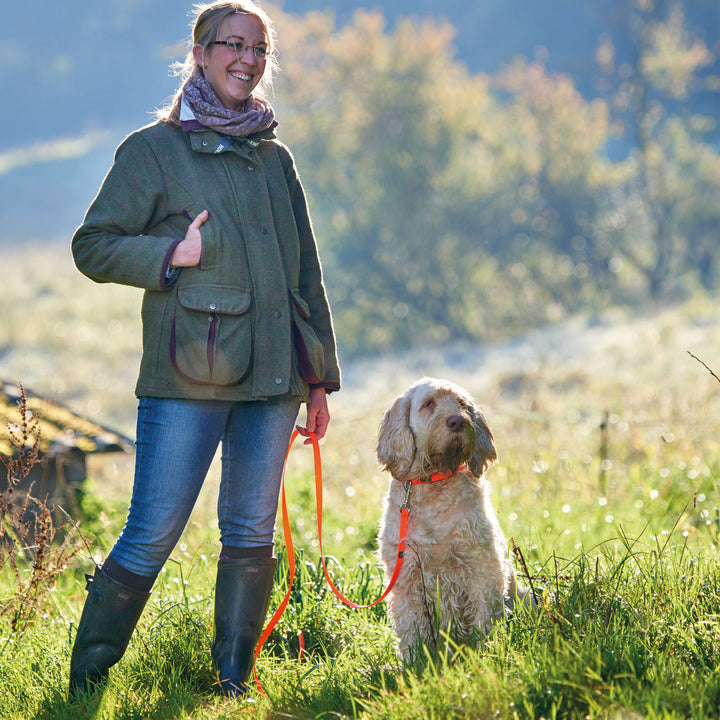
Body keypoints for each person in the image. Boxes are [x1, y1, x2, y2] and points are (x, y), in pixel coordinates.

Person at [68, 0, 340, 699]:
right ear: (199, 52)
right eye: (233, 45)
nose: (246, 60)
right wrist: (170, 253)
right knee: (151, 532)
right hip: (186, 378)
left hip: (273, 382)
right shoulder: (152, 151)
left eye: (258, 49)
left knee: (250, 532)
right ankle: (84, 683)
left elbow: (305, 272)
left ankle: (231, 682)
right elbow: (92, 246)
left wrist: (317, 380)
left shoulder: (274, 158)